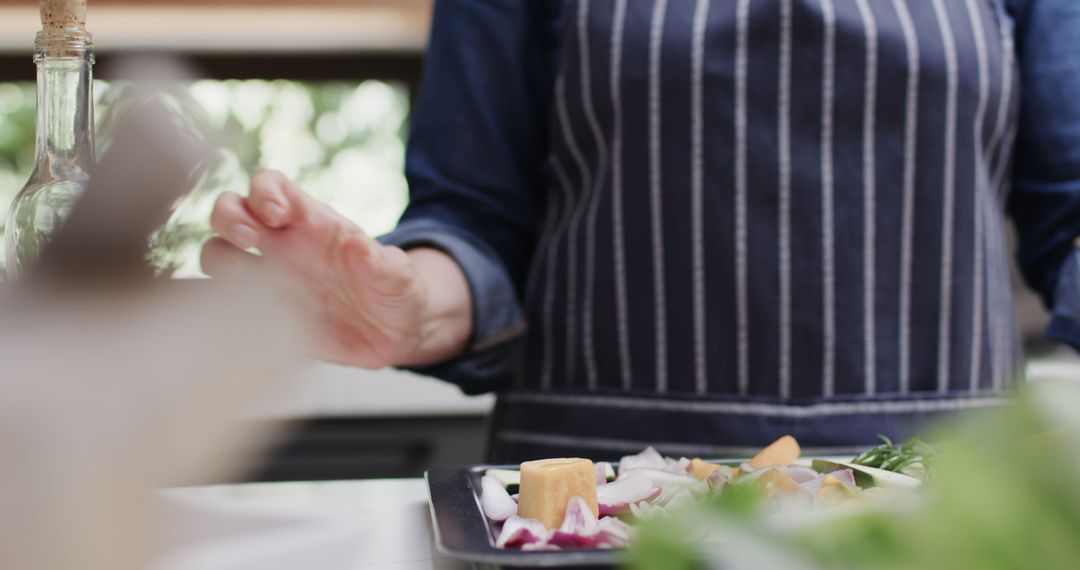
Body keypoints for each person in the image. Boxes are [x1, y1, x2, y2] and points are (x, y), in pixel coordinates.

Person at [202, 0, 1080, 462]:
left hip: (938, 518)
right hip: (596, 516)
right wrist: (405, 310)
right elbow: (475, 220)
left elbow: (1069, 211)